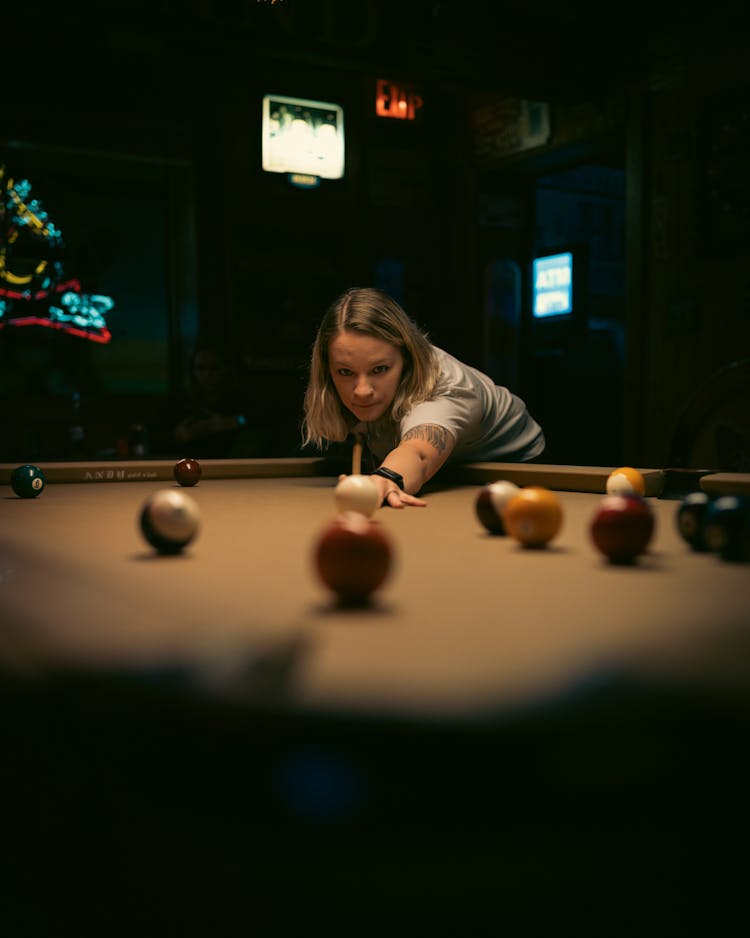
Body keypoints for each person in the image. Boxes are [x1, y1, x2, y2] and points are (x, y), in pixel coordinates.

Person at [302, 287, 545, 509]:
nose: (362, 390)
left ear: (406, 360)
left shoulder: (447, 388)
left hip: (517, 468)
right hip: (445, 469)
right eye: (346, 372)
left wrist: (387, 477)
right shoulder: (345, 388)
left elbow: (418, 451)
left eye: (380, 369)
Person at [168, 345, 258, 458]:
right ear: (192, 371)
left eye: (214, 368)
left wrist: (232, 422)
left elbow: (255, 418)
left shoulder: (238, 399)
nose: (207, 375)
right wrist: (179, 435)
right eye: (201, 368)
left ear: (225, 369)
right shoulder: (180, 402)